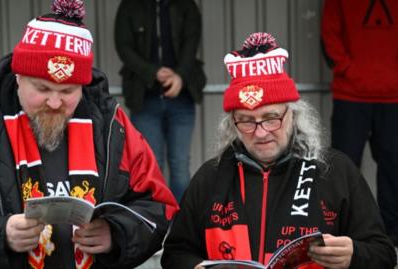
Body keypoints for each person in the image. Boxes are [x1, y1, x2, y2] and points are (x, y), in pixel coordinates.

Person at [0, 1, 179, 268]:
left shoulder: (113, 125)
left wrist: (117, 234)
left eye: (68, 91)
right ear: (18, 76)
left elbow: (160, 211)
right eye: (42, 88)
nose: (54, 103)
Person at [161, 32, 397, 269]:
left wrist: (355, 255)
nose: (260, 132)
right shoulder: (211, 177)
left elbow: (384, 255)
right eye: (246, 120)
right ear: (232, 123)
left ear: (293, 115)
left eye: (271, 118)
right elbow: (175, 254)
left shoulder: (335, 171)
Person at [321, 0, 398, 247]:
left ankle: (392, 235)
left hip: (394, 96)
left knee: (394, 167)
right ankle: (343, 232)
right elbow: (328, 35)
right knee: (343, 167)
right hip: (350, 96)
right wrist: (347, 68)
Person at [114, 0, 207, 202]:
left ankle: (180, 225)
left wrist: (179, 76)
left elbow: (192, 43)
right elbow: (123, 47)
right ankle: (155, 223)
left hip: (182, 96)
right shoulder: (130, 5)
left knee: (180, 165)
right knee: (149, 165)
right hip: (144, 97)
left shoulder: (186, 5)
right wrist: (152, 72)